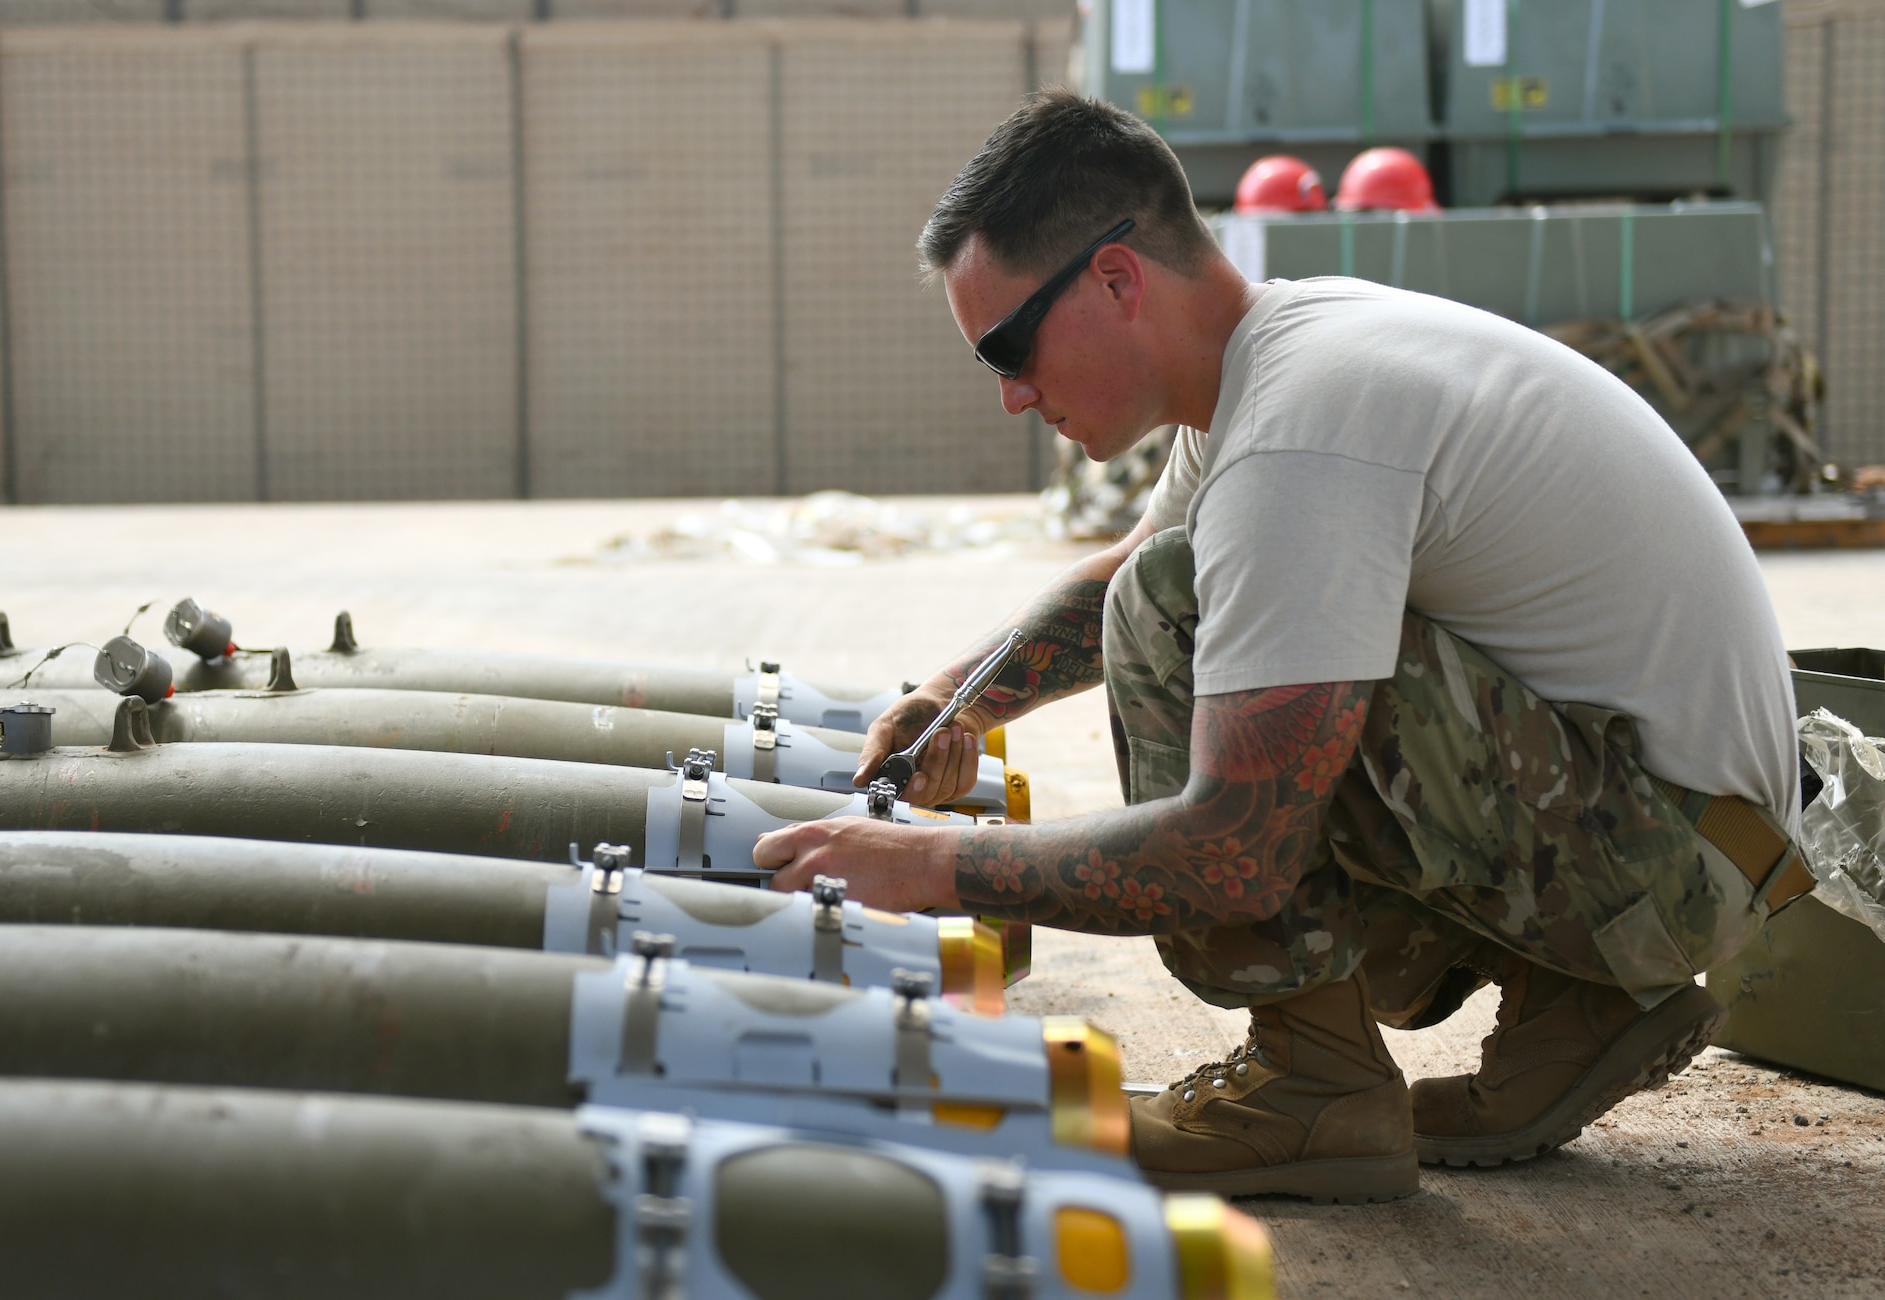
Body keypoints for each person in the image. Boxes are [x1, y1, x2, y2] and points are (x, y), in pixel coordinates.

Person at [751, 91, 1808, 1204]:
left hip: (1664, 867)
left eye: (1010, 348)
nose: (1014, 394)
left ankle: (1311, 1089)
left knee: (1179, 615)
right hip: (1678, 837)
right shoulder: (1284, 354)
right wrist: (954, 699)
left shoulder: (1302, 434)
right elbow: (1122, 562)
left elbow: (1232, 852)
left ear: (1115, 280)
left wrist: (923, 868)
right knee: (1175, 587)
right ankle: (1578, 1004)